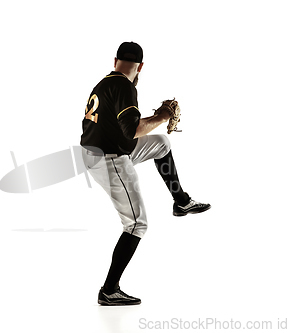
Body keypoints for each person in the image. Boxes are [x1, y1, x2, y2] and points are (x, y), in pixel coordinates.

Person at [80, 41, 211, 306]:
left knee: (162, 143)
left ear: (114, 61)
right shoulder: (124, 87)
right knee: (137, 224)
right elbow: (132, 131)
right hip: (109, 159)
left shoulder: (106, 82)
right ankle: (109, 290)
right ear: (141, 66)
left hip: (101, 150)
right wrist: (162, 115)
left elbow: (121, 127)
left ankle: (181, 201)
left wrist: (154, 122)